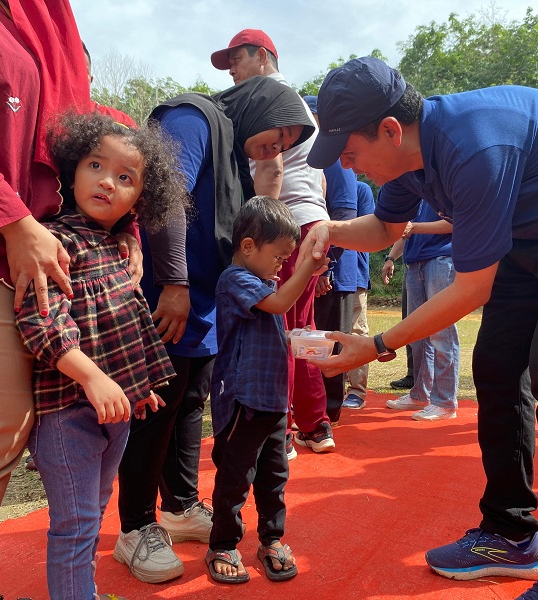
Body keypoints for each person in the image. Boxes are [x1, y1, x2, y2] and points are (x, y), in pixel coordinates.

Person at [303, 56, 538, 600]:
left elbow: (471, 289)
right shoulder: (407, 159)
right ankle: (511, 533)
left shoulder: (476, 146)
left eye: (351, 154)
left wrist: (373, 345)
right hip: (534, 233)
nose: (349, 169)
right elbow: (383, 227)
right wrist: (328, 230)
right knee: (494, 367)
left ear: (391, 130)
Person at [0, 3, 122, 598]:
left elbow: (94, 140)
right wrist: (14, 221)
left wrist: (131, 232)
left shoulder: (47, 17)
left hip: (16, 242)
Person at [113, 75, 316, 584]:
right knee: (157, 407)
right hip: (173, 291)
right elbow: (165, 194)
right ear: (257, 106)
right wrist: (175, 283)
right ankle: (135, 526)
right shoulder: (193, 117)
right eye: (277, 133)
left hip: (207, 301)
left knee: (189, 404)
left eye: (287, 145)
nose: (277, 147)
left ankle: (180, 507)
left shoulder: (237, 159)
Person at [15, 112, 188, 600]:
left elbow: (126, 326)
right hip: (68, 413)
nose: (108, 182)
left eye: (126, 178)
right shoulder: (55, 242)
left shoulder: (117, 247)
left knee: (96, 507)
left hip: (117, 414)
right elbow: (41, 322)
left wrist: (140, 385)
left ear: (140, 199)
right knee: (75, 524)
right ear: (72, 171)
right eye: (96, 165)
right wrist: (92, 378)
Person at [211, 30, 335, 452]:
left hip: (282, 225)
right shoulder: (302, 107)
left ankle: (276, 430)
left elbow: (271, 171)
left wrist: (263, 230)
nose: (232, 68)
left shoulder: (271, 100)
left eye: (237, 59)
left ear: (263, 57)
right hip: (311, 221)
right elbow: (318, 177)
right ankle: (316, 425)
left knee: (274, 328)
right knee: (302, 329)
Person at [207, 196, 327, 584]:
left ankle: (271, 539)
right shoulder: (236, 279)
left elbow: (275, 318)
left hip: (274, 401)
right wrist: (307, 268)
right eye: (278, 257)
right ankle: (223, 543)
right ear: (247, 247)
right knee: (236, 476)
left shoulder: (264, 282)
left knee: (275, 475)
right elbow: (277, 305)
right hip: (245, 400)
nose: (281, 266)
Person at [304, 94, 359, 428]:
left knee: (329, 340)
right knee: (313, 340)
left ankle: (329, 411)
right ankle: (314, 410)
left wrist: (328, 265)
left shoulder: (335, 160)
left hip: (333, 270)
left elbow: (345, 215)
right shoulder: (316, 158)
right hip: (320, 266)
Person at [381, 201, 460, 421]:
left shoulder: (443, 186)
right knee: (417, 334)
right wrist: (391, 257)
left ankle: (445, 402)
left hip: (441, 259)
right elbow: (407, 228)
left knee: (442, 331)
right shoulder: (415, 193)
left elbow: (455, 223)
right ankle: (420, 395)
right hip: (414, 263)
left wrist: (415, 228)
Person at [343, 181, 377, 409]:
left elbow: (371, 232)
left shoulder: (360, 190)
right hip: (322, 273)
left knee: (356, 329)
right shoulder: (317, 184)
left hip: (353, 271)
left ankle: (357, 390)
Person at [82, 41, 138, 128]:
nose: (75, 77)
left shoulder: (121, 121)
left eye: (82, 71)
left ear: (91, 80)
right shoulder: (53, 119)